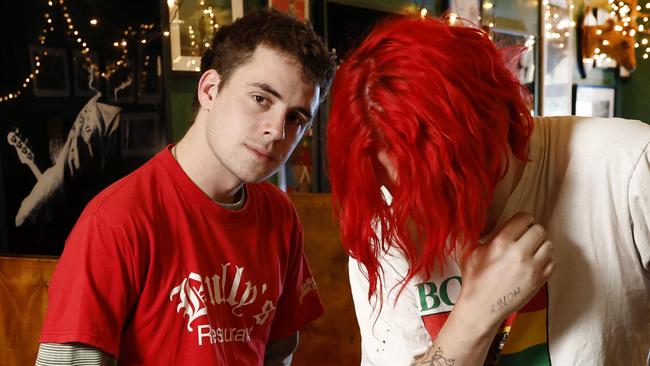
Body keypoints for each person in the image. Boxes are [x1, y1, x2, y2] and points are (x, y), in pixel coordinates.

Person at [327, 16, 650, 366]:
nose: (414, 209)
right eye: (393, 188)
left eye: (437, 185)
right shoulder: (383, 225)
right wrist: (475, 315)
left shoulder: (629, 165)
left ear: (491, 126)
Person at [37, 8, 335, 365]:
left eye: (296, 117)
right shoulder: (115, 220)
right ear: (210, 90)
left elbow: (278, 352)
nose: (277, 130)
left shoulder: (280, 215)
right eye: (260, 99)